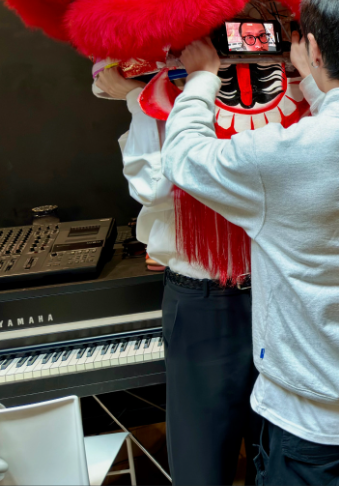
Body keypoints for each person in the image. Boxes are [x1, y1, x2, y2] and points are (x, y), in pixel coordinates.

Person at [161, 0, 339, 486]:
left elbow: (182, 157)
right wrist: (311, 75)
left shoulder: (276, 160)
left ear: (312, 48)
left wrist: (201, 79)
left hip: (311, 430)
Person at [94, 67, 261, 486]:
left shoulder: (267, 88)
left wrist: (138, 99)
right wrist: (140, 98)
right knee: (203, 460)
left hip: (270, 290)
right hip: (206, 297)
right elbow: (156, 186)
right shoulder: (163, 90)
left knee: (277, 452)